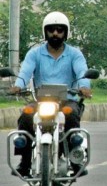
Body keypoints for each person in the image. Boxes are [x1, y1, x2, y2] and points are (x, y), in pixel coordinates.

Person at [9, 11, 92, 177]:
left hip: (67, 101)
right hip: (40, 101)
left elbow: (82, 72)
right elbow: (25, 72)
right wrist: (18, 85)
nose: (55, 33)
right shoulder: (35, 53)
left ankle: (75, 159)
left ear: (66, 33)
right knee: (26, 115)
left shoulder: (75, 54)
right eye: (51, 30)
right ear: (45, 32)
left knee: (71, 115)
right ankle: (24, 162)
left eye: (59, 30)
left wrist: (84, 86)